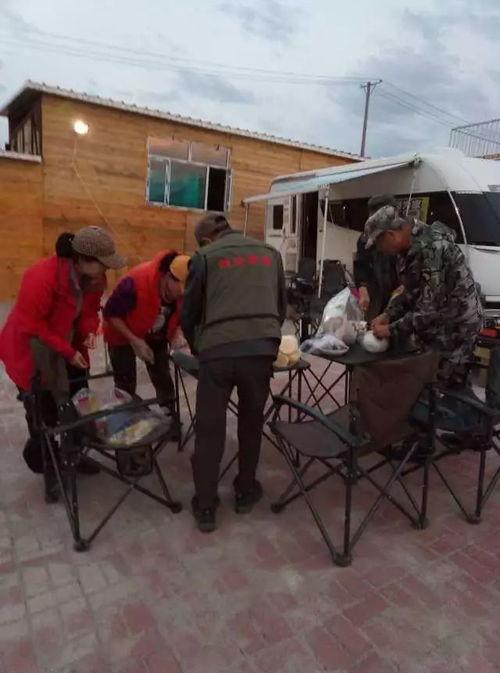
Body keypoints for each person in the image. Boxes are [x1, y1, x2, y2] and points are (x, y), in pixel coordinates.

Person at [0, 226, 125, 500]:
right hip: (32, 351)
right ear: (82, 260)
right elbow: (32, 326)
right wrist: (67, 351)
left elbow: (89, 312)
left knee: (78, 401)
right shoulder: (40, 277)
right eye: (103, 263)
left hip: (68, 345)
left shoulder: (95, 279)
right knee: (43, 413)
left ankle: (75, 454)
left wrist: (89, 330)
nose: (106, 270)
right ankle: (50, 467)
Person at [181, 213, 287, 532]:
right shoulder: (271, 254)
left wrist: (199, 347)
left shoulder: (204, 257)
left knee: (210, 427)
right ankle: (245, 492)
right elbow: (281, 306)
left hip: (217, 351)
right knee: (251, 422)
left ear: (206, 240)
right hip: (261, 349)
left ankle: (205, 505)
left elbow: (189, 313)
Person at [367, 205, 483, 387]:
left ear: (391, 234)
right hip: (437, 322)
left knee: (446, 385)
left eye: (378, 243)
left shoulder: (432, 248)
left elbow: (428, 310)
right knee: (426, 380)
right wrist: (388, 314)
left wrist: (390, 329)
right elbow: (411, 290)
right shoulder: (406, 250)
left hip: (457, 326)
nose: (379, 250)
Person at [103, 250, 190, 432]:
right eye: (176, 289)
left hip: (155, 333)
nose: (180, 293)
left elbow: (182, 313)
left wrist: (177, 332)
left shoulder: (184, 289)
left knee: (162, 374)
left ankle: (169, 415)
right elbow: (110, 314)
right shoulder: (134, 283)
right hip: (122, 333)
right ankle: (128, 423)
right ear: (168, 277)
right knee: (125, 382)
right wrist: (134, 340)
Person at [354, 194, 400, 320]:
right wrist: (363, 289)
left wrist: (390, 311)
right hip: (376, 297)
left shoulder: (406, 241)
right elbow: (361, 265)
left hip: (399, 301)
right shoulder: (365, 239)